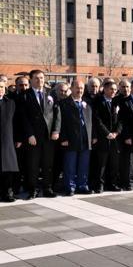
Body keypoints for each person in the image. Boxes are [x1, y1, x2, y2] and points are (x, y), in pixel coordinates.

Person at [19, 69, 60, 199]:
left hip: (48, 137)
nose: (40, 80)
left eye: (42, 78)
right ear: (31, 80)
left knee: (48, 164)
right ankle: (33, 190)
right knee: (33, 165)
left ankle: (47, 188)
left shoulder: (51, 93)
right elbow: (23, 117)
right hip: (33, 138)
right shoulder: (25, 95)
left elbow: (57, 113)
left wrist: (56, 130)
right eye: (36, 78)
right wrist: (29, 135)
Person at [57, 80, 94, 196]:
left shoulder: (87, 103)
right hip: (70, 138)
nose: (80, 90)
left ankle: (82, 185)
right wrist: (63, 138)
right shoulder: (63, 103)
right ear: (71, 89)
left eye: (82, 88)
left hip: (85, 138)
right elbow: (60, 123)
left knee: (84, 164)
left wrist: (93, 136)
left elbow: (92, 122)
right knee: (70, 164)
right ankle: (70, 186)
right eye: (77, 88)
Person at [91, 81, 122, 192]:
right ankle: (99, 185)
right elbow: (97, 119)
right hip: (102, 137)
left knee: (114, 163)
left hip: (115, 138)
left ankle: (112, 184)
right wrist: (107, 133)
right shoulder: (98, 101)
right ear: (104, 89)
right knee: (101, 164)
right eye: (111, 89)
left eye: (115, 89)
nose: (113, 91)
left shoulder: (117, 101)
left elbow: (121, 120)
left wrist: (116, 132)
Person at [0, 79, 21, 202]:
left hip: (7, 139)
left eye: (2, 87)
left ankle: (8, 192)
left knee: (8, 167)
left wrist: (18, 138)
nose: (0, 89)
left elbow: (16, 122)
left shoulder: (11, 103)